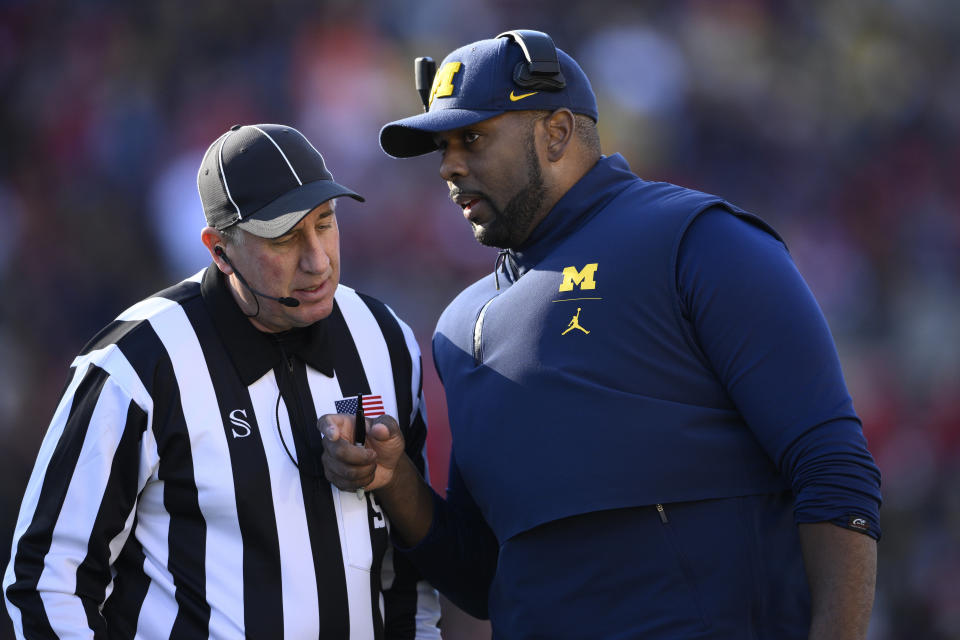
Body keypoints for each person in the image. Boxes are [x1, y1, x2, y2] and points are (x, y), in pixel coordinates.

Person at [319, 30, 882, 639]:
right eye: (443, 147)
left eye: (474, 138)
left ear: (557, 132)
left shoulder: (696, 239)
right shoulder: (460, 326)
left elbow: (833, 468)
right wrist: (395, 479)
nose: (451, 165)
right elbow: (485, 575)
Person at [3, 123, 441, 639]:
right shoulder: (137, 362)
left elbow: (409, 576)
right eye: (284, 237)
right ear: (219, 250)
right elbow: (47, 580)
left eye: (325, 224)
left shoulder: (385, 339)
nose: (317, 260)